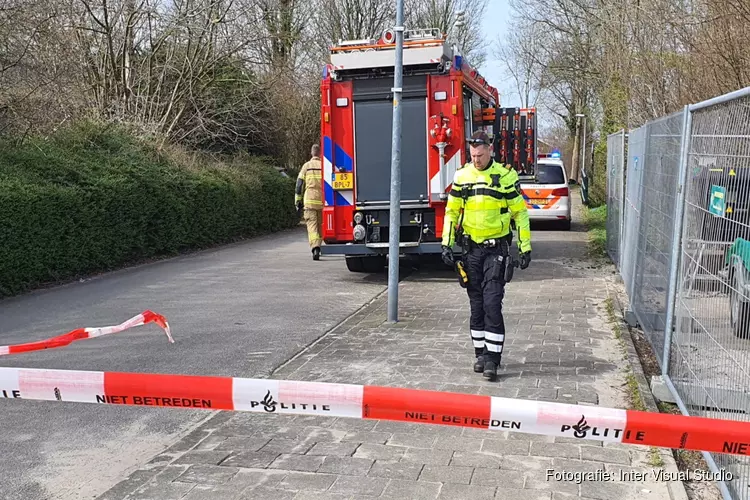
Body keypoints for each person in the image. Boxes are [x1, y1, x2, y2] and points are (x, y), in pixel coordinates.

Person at [441, 130, 532, 381]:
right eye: (472, 155)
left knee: (493, 303)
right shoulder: (463, 176)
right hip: (471, 250)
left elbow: (520, 214)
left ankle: (493, 358)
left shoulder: (505, 176)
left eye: (480, 155)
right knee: (477, 305)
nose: (476, 160)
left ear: (490, 149)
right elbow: (452, 212)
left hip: (496, 250)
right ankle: (480, 354)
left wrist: (525, 247)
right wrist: (446, 244)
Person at [295, 144, 324, 260]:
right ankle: (319, 245)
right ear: (320, 153)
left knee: (312, 226)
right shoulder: (324, 165)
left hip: (310, 201)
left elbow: (299, 185)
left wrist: (298, 201)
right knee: (320, 226)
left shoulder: (306, 166)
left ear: (311, 153)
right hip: (322, 201)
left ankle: (315, 247)